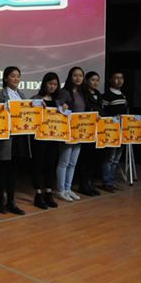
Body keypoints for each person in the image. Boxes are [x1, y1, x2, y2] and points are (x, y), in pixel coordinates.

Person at [0, 66, 30, 215]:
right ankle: (1, 201)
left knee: (13, 172)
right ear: (6, 78)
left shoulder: (21, 95)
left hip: (19, 138)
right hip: (5, 139)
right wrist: (3, 109)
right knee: (2, 170)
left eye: (18, 76)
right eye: (13, 76)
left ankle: (11, 202)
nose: (16, 79)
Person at [30, 72, 60, 210]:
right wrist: (36, 106)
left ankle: (49, 192)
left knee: (51, 164)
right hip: (39, 138)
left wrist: (64, 111)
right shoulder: (35, 99)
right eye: (50, 84)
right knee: (38, 165)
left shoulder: (58, 101)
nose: (52, 87)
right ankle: (38, 194)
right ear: (44, 84)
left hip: (53, 138)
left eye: (55, 84)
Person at [56, 67, 85, 202]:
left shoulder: (82, 93)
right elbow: (57, 106)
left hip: (79, 132)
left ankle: (68, 188)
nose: (78, 78)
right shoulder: (64, 92)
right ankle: (61, 190)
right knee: (64, 162)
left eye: (80, 76)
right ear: (70, 77)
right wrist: (62, 107)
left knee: (73, 163)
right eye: (75, 75)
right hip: (67, 131)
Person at [101, 71, 129, 192]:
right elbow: (103, 112)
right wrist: (113, 118)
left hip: (123, 130)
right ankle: (107, 182)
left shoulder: (123, 95)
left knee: (117, 158)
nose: (119, 80)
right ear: (110, 80)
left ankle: (112, 181)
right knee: (110, 157)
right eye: (116, 78)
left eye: (121, 78)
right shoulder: (107, 95)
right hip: (111, 131)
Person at [77, 71, 102, 196]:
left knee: (93, 158)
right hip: (85, 129)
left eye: (97, 80)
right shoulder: (82, 94)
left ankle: (89, 183)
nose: (95, 82)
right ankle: (83, 185)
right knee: (84, 158)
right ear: (86, 81)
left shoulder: (98, 94)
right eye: (93, 80)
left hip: (96, 129)